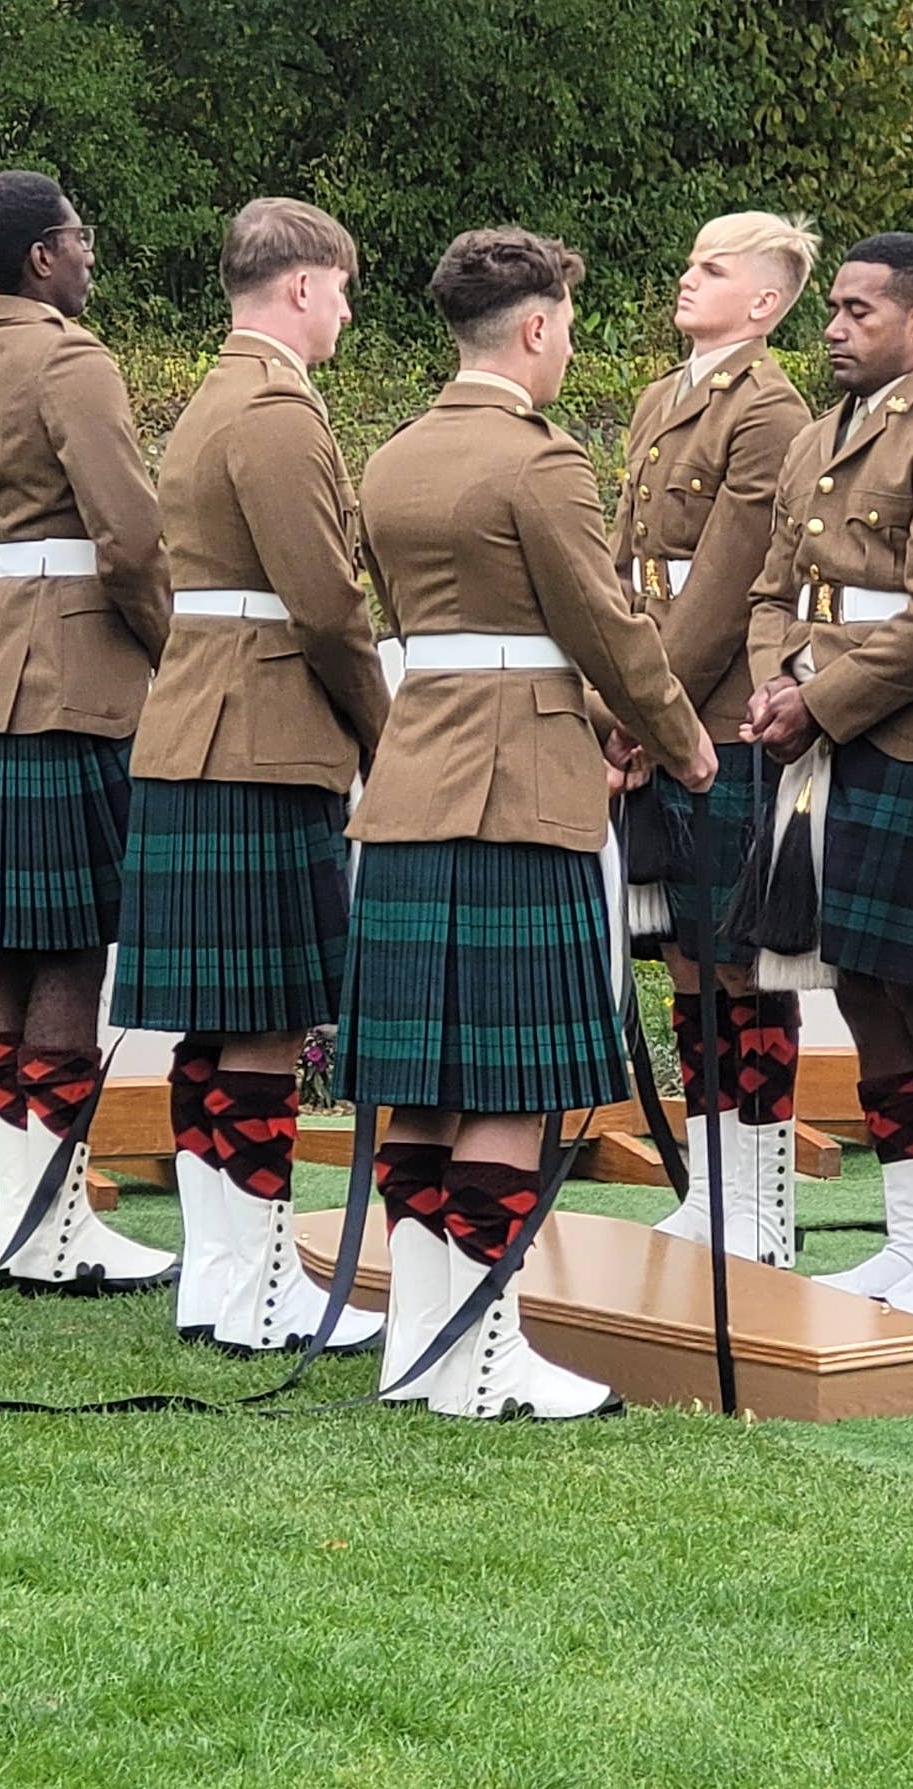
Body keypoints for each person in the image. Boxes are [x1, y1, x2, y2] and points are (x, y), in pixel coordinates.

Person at [345, 226, 713, 1420]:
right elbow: (604, 627)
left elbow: (441, 628)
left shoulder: (392, 457)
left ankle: (424, 1344)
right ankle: (487, 1355)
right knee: (509, 1083)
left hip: (413, 778)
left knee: (423, 1086)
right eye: (567, 329)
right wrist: (680, 741)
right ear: (538, 326)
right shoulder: (540, 463)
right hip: (520, 791)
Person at [116, 198, 387, 1355]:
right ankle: (263, 1281)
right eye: (341, 290)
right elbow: (324, 603)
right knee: (267, 1025)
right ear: (301, 285)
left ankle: (221, 1275)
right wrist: (384, 728)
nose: (344, 313)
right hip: (264, 735)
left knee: (214, 1028)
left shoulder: (212, 397)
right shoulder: (277, 412)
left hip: (200, 727)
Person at [737, 233, 913, 1328]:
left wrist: (820, 699)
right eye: (835, 310)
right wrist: (774, 683)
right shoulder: (817, 437)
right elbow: (772, 592)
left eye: (860, 311)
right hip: (825, 742)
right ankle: (910, 1245)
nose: (835, 328)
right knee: (857, 986)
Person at [0, 170, 178, 1296]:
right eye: (78, 236)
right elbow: (128, 535)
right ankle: (58, 1227)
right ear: (41, 255)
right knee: (72, 946)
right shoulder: (73, 360)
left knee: (13, 956)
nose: (88, 254)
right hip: (81, 675)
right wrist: (177, 651)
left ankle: (22, 1225)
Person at [612, 212, 818, 1267]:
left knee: (742, 961)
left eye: (713, 268)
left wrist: (646, 707)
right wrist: (617, 685)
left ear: (766, 302)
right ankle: (712, 1185)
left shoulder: (769, 409)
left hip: (719, 711)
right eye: (690, 260)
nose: (687, 278)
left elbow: (729, 583)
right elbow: (625, 562)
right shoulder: (663, 398)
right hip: (656, 698)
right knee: (687, 958)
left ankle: (763, 1204)